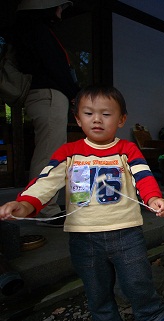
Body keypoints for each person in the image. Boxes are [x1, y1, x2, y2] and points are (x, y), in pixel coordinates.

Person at [0, 85, 164, 321]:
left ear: (121, 120)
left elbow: (144, 177)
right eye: (89, 113)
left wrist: (153, 199)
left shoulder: (127, 150)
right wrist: (24, 204)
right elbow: (45, 183)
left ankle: (150, 314)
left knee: (138, 279)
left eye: (106, 114)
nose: (97, 119)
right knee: (95, 287)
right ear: (78, 118)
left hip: (126, 233)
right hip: (83, 237)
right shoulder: (68, 153)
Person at [13, 0, 81, 227]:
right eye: (59, 6)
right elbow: (55, 67)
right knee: (49, 154)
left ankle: (45, 205)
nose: (61, 11)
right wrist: (74, 92)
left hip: (45, 96)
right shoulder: (37, 31)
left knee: (50, 151)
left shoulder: (31, 30)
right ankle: (43, 208)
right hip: (48, 96)